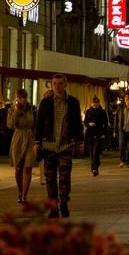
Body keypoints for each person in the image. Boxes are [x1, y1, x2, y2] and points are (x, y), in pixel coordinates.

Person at [33, 74, 83, 218]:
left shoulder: (73, 103)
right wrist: (37, 143)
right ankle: (53, 207)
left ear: (65, 85)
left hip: (65, 144)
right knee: (50, 178)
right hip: (49, 144)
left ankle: (64, 202)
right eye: (54, 83)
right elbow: (39, 123)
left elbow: (78, 123)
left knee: (65, 177)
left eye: (60, 83)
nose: (57, 86)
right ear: (51, 85)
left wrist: (80, 142)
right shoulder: (46, 102)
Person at [8, 88, 36, 204]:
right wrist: (16, 112)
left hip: (30, 138)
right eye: (20, 98)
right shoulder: (11, 110)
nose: (22, 100)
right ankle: (20, 191)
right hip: (18, 139)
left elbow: (35, 123)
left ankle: (24, 194)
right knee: (18, 168)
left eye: (24, 97)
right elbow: (10, 125)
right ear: (17, 98)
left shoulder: (32, 109)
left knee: (28, 167)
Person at [83, 95, 109, 177]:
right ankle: (93, 169)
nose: (94, 106)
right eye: (93, 104)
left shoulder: (102, 112)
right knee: (91, 153)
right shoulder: (88, 111)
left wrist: (104, 134)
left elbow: (106, 124)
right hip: (90, 134)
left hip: (99, 134)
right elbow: (85, 122)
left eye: (96, 104)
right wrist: (89, 124)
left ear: (98, 103)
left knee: (95, 152)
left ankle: (95, 168)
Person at [114, 92, 129, 167]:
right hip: (122, 129)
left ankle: (128, 162)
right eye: (126, 98)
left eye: (128, 98)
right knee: (121, 145)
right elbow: (116, 119)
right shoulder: (120, 108)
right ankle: (122, 161)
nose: (127, 99)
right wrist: (115, 131)